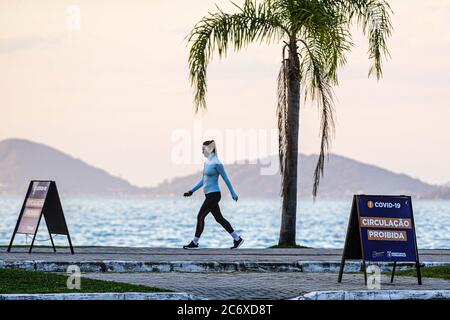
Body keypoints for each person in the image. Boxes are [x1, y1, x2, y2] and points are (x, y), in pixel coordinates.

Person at [183, 140, 243, 250]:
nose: (202, 151)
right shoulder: (207, 163)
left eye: (203, 149)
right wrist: (192, 191)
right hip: (208, 195)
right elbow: (203, 180)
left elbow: (226, 178)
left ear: (210, 149)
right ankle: (237, 238)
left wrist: (233, 193)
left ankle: (195, 242)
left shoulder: (217, 163)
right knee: (219, 218)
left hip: (214, 195)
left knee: (200, 216)